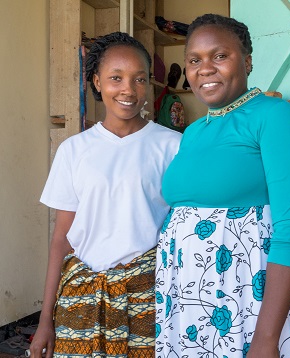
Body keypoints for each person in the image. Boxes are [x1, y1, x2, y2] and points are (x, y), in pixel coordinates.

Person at [155, 14, 290, 358]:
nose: (205, 68)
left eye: (220, 56)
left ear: (247, 61)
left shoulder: (275, 117)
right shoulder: (194, 132)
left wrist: (266, 339)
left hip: (245, 304)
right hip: (187, 306)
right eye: (195, 60)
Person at [29, 32, 182, 358]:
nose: (128, 89)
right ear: (97, 82)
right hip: (81, 298)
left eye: (139, 79)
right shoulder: (74, 150)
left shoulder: (172, 147)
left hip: (148, 297)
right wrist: (46, 320)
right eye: (116, 78)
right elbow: (62, 239)